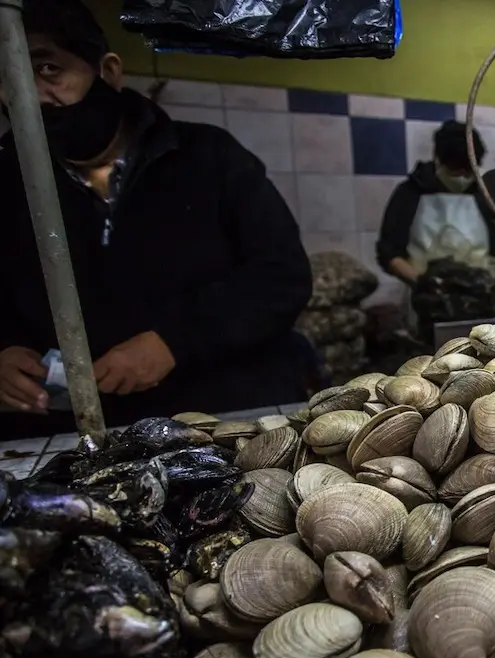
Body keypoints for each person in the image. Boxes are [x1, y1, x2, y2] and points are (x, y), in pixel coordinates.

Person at [0, 0, 312, 440]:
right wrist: (5, 349)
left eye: (48, 69)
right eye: (8, 77)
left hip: (221, 418)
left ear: (107, 71)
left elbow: (283, 277)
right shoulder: (8, 181)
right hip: (72, 432)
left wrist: (174, 341)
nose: (28, 94)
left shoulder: (209, 157)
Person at [377, 121, 495, 308]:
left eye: (469, 170)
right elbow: (388, 253)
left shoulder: (485, 196)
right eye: (455, 170)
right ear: (437, 159)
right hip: (427, 303)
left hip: (482, 300)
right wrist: (424, 285)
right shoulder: (410, 193)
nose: (462, 176)